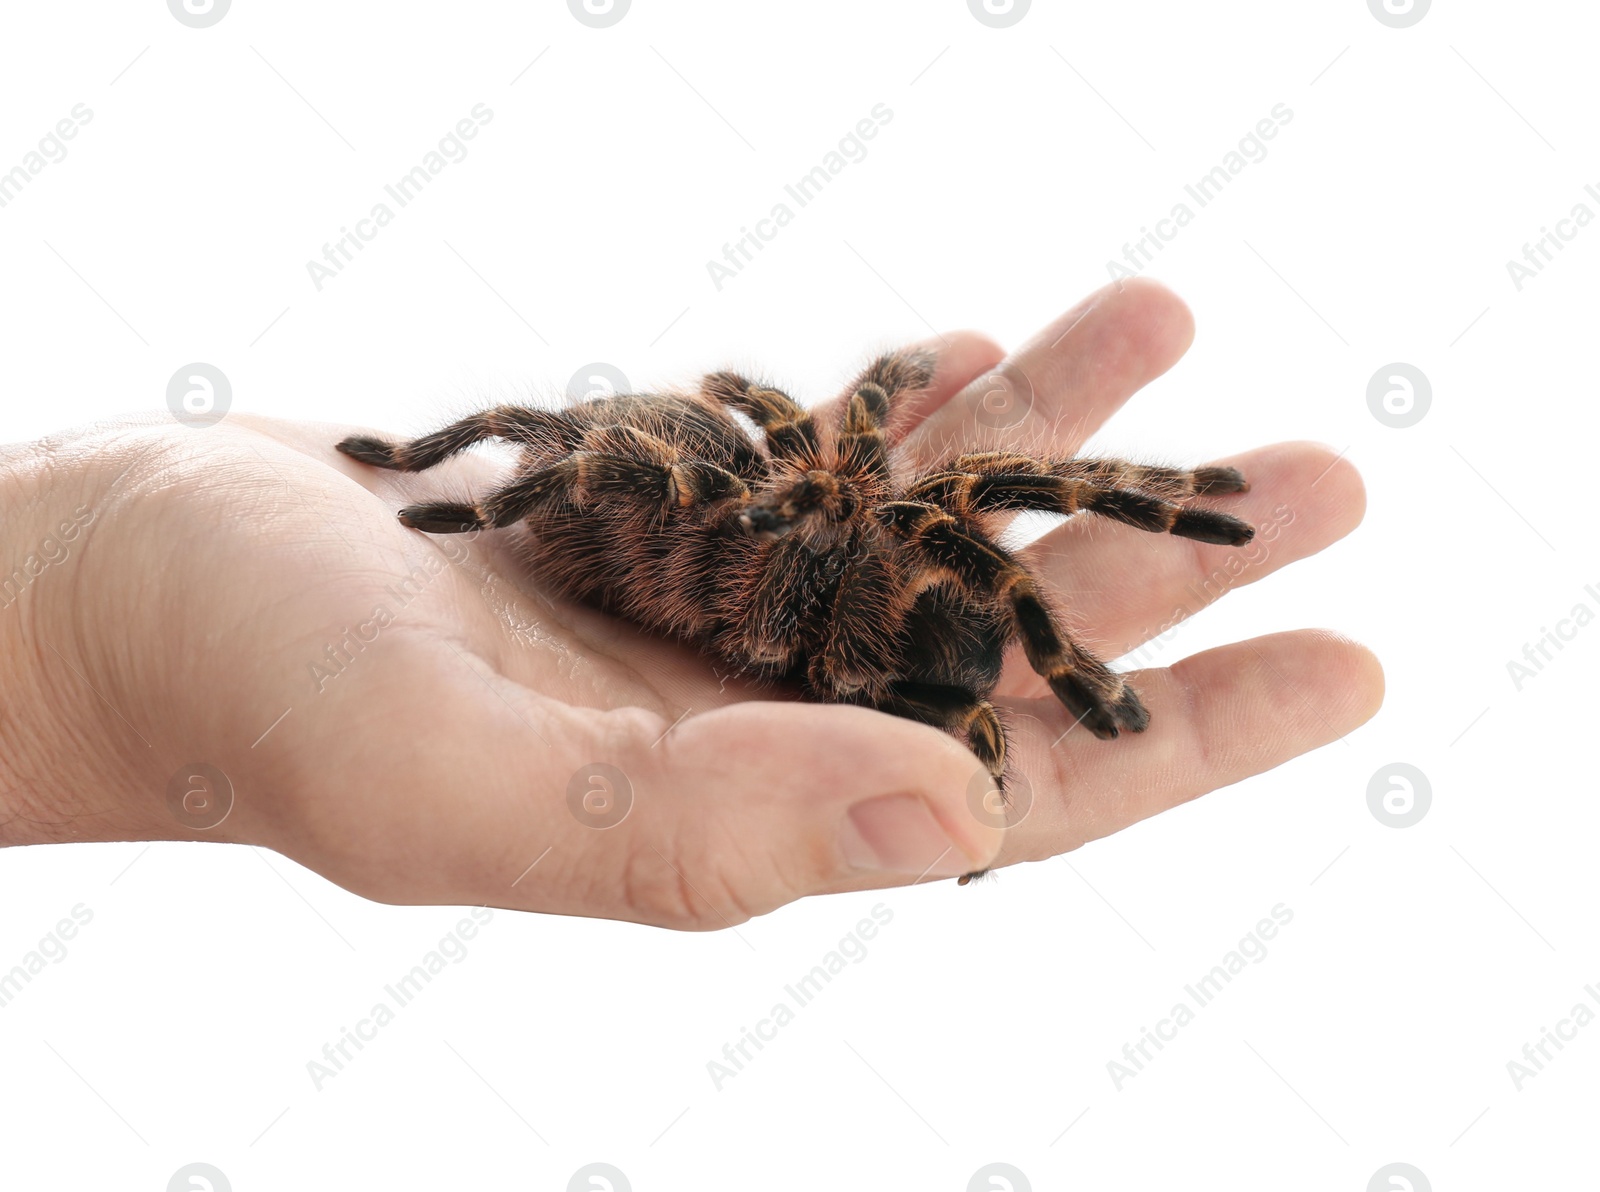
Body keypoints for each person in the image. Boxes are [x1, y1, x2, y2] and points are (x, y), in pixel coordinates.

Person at [0, 279, 1380, 928]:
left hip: (774, 531)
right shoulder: (786, 533)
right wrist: (459, 506)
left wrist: (1100, 599)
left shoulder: (897, 566)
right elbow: (751, 430)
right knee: (625, 459)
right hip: (676, 525)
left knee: (966, 516)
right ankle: (462, 487)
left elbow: (960, 539)